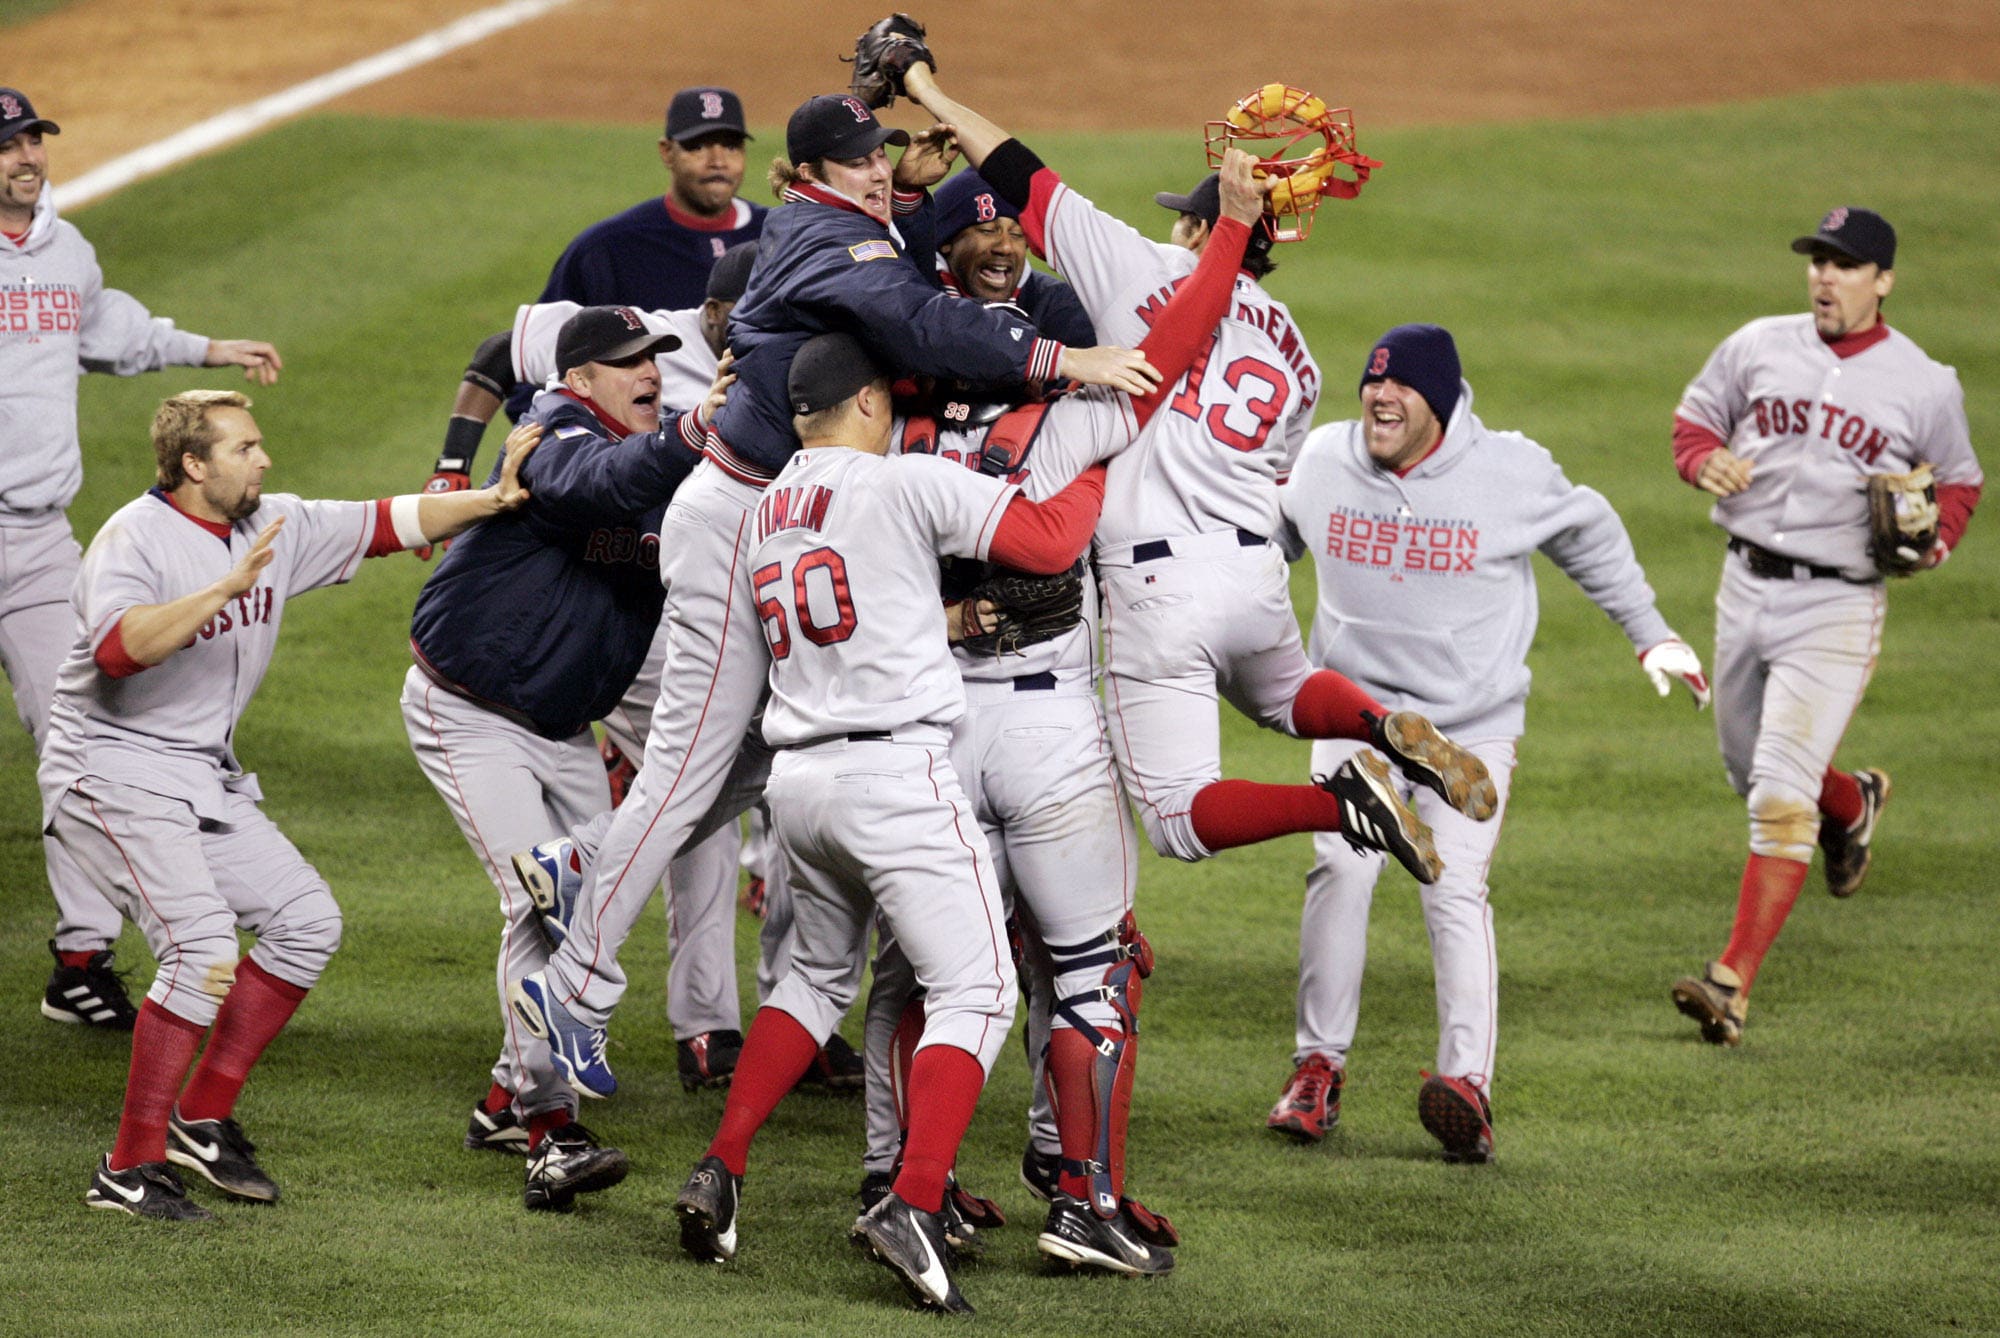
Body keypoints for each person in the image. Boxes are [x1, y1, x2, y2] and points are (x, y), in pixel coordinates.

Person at [507, 88, 1160, 1101]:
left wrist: (906, 186)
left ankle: (584, 863)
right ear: (811, 172)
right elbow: (922, 319)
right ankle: (577, 988)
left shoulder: (832, 225)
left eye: (881, 153)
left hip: (771, 513)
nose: (876, 168)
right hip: (733, 516)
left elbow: (886, 260)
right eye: (859, 158)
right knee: (686, 771)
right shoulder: (821, 240)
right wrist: (1061, 356)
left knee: (766, 755)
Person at [896, 62, 1488, 881]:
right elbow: (1276, 472)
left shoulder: (1137, 269)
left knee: (1178, 815)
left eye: (1184, 221)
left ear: (1204, 233)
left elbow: (1017, 174)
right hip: (1251, 571)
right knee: (1284, 694)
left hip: (1156, 585)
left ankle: (1341, 803)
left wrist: (926, 91)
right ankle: (1383, 725)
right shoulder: (1298, 351)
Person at [850, 148, 1268, 1278]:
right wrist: (1228, 228)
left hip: (924, 728)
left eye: (1009, 235)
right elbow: (1176, 349)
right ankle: (1080, 1202)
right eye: (978, 235)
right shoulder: (1069, 411)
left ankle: (905, 1187)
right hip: (1042, 734)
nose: (1000, 247)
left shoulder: (887, 421)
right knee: (1090, 972)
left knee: (927, 979)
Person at [670, 331, 1121, 1314]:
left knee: (815, 977)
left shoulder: (760, 513)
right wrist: (1095, 465)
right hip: (894, 775)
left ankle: (720, 1164)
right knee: (980, 987)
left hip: (798, 784)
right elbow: (1044, 546)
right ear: (869, 403)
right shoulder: (904, 482)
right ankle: (912, 1202)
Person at [39, 387, 533, 1219]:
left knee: (307, 922)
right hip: (109, 771)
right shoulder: (137, 536)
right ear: (193, 465)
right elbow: (120, 652)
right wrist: (222, 590)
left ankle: (201, 1118)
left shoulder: (273, 524)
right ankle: (126, 1168)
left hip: (199, 772)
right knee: (198, 950)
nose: (264, 458)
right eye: (244, 448)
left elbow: (385, 523)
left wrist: (494, 499)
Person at [1275, 324, 1711, 1161]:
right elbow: (1266, 539)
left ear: (1438, 401)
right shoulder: (1326, 460)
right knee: (1340, 865)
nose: (1380, 398)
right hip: (1355, 717)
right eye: (1372, 385)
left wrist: (1650, 633)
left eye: (1399, 388)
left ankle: (1466, 1085)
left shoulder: (1508, 470)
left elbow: (1588, 533)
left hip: (1467, 727)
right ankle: (1316, 1068)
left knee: (1453, 887)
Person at [402, 306, 718, 1210]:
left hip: (562, 725)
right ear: (581, 380)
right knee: (537, 901)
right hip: (466, 711)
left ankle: (506, 1096)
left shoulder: (663, 462)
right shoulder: (551, 434)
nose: (650, 373)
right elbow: (597, 484)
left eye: (654, 357)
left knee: (593, 908)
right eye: (627, 363)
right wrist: (696, 435)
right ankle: (550, 1131)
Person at [1, 88, 283, 1029]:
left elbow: (110, 332)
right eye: (10, 144)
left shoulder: (63, 250)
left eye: (34, 137)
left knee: (76, 738)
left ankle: (80, 959)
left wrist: (206, 348)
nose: (28, 155)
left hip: (38, 542)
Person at [1667, 207, 1981, 1047]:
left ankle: (1730, 984)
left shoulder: (1923, 382)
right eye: (1817, 262)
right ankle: (1855, 803)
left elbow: (1958, 481)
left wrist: (1937, 542)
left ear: (1883, 281)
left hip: (1837, 604)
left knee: (1775, 796)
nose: (1825, 278)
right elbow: (1693, 421)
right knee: (1749, 769)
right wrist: (1705, 462)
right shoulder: (1758, 345)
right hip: (1744, 585)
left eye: (1845, 266)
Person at [507, 87, 766, 420]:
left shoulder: (779, 236)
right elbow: (533, 375)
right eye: (697, 146)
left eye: (731, 146)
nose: (717, 161)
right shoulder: (609, 248)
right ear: (666, 152)